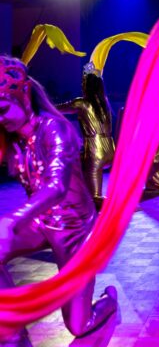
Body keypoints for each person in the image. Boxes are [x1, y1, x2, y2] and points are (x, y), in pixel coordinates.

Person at [0, 56, 118, 346]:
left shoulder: (55, 128)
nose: (0, 118)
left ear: (23, 95)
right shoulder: (14, 140)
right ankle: (12, 329)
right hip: (41, 223)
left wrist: (12, 219)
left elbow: (56, 185)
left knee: (79, 325)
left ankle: (109, 300)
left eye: (2, 109)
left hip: (75, 230)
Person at [57, 62, 114, 211]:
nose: (81, 85)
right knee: (75, 167)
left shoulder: (81, 103)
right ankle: (78, 199)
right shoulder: (105, 103)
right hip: (110, 149)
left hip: (95, 151)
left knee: (94, 198)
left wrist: (41, 104)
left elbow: (58, 109)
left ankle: (116, 206)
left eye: (83, 83)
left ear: (86, 86)